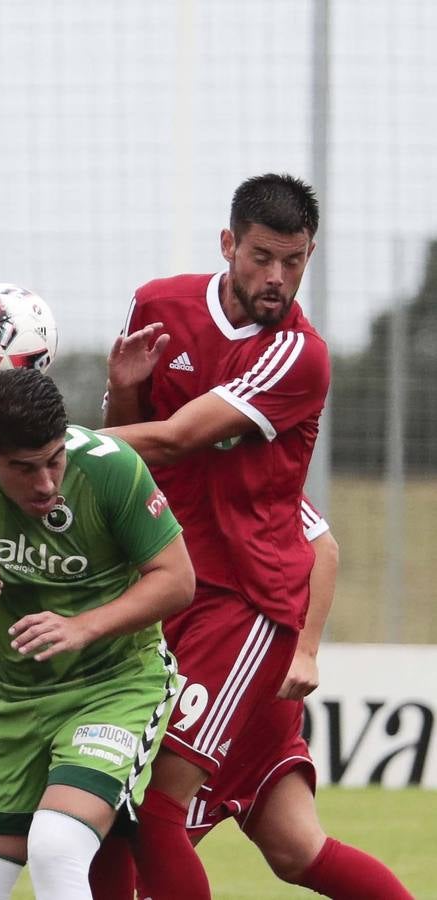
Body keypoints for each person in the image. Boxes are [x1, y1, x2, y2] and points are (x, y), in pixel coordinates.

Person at [94, 173, 410, 898]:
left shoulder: (297, 355)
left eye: (293, 261)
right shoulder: (160, 305)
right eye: (262, 257)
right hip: (162, 597)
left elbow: (172, 443)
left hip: (241, 613)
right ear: (227, 243)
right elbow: (128, 442)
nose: (277, 278)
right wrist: (121, 391)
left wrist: (49, 439)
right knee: (295, 848)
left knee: (148, 812)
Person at [0, 368, 195, 900]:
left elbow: (178, 580)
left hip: (117, 687)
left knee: (57, 847)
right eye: (25, 468)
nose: (46, 483)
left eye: (54, 460)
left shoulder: (112, 470)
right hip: (14, 700)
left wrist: (82, 627)